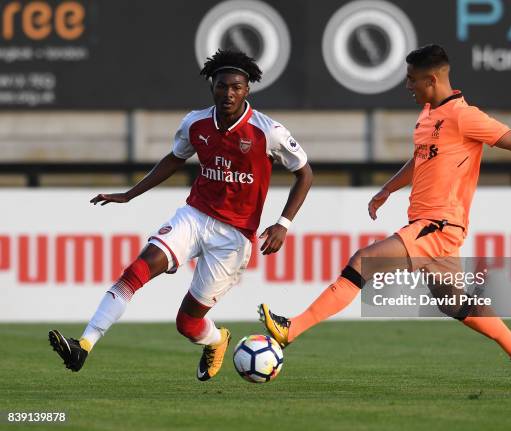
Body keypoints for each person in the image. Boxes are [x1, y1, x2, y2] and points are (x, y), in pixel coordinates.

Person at [259, 44, 511, 387]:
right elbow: (421, 160)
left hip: (440, 224)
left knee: (363, 260)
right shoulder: (427, 115)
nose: (407, 86)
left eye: (412, 80)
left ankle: (292, 329)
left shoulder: (463, 115)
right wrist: (388, 189)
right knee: (452, 303)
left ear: (432, 78)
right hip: (425, 224)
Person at [49, 49, 313, 381]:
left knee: (187, 324)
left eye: (236, 87)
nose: (228, 93)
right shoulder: (195, 123)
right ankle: (83, 345)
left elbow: (305, 174)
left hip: (234, 237)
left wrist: (283, 224)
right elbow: (174, 159)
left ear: (247, 89)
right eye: (221, 86)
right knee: (135, 272)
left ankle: (217, 339)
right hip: (194, 216)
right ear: (211, 86)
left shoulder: (268, 132)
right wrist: (130, 194)